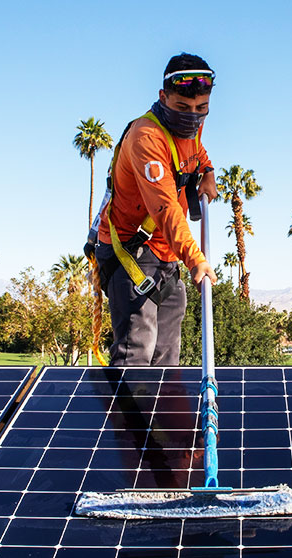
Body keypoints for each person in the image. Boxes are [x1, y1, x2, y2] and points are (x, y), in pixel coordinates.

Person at [93, 53, 218, 366]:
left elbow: (196, 151)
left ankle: (160, 416)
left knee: (166, 357)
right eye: (183, 108)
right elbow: (164, 208)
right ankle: (128, 417)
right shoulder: (146, 137)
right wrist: (196, 260)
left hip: (166, 254)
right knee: (137, 350)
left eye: (201, 109)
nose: (193, 116)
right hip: (133, 251)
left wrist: (209, 172)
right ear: (163, 97)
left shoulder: (191, 125)